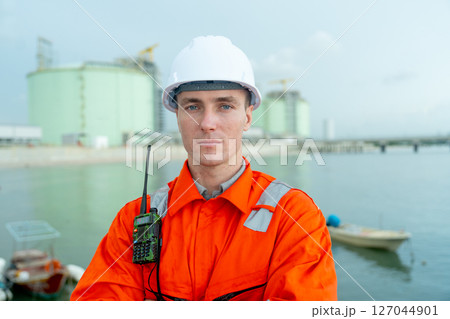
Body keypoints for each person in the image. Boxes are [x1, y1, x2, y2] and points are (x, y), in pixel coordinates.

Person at [70, 36, 337, 301]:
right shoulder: (132, 221)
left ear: (247, 116)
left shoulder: (294, 217)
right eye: (193, 106)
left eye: (224, 105)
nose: (207, 123)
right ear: (177, 116)